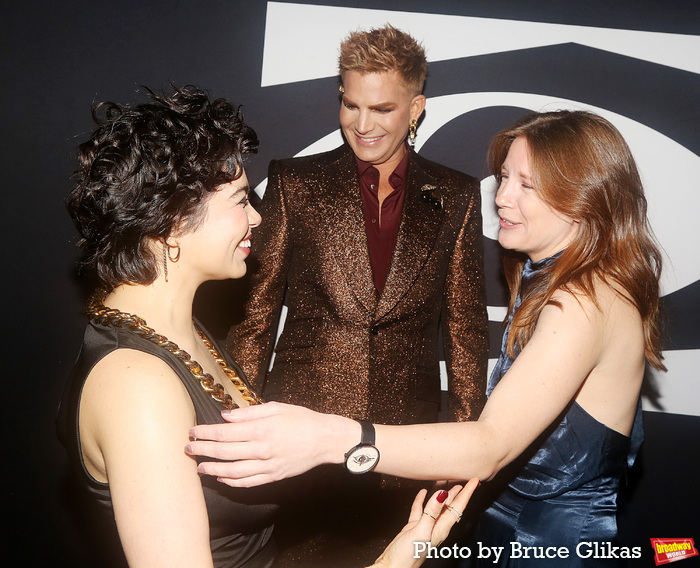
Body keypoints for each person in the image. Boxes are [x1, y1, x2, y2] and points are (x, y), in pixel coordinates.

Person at [188, 110, 666, 566]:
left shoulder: (584, 301)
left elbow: (491, 444)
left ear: (586, 197)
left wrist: (331, 439)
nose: (501, 198)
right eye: (504, 179)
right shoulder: (556, 280)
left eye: (528, 186)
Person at [57, 85, 477, 568]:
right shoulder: (137, 386)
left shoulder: (181, 333)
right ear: (172, 222)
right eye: (240, 200)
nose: (257, 215)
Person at [226, 24, 488, 566]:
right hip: (299, 441)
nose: (361, 125)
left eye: (383, 110)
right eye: (350, 105)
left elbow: (465, 334)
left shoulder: (457, 196)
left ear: (415, 108)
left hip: (401, 448)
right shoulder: (296, 183)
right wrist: (241, 429)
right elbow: (256, 318)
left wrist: (463, 450)